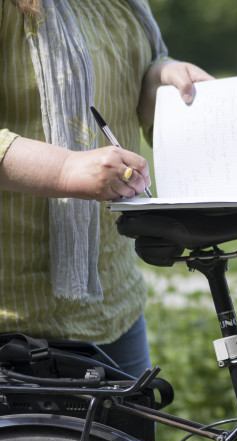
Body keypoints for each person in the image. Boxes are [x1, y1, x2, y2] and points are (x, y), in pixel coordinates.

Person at [0, 0, 213, 377]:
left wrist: (160, 77)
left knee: (132, 438)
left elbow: (125, 85)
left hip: (115, 306)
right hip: (15, 321)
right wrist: (65, 168)